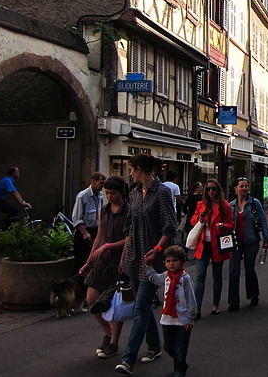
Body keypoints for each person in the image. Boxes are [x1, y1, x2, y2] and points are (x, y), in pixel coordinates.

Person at [115, 154, 177, 376]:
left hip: (153, 259)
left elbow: (170, 227)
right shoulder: (133, 193)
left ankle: (128, 359)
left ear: (140, 169)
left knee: (140, 308)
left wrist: (158, 250)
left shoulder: (162, 192)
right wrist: (124, 255)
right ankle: (154, 346)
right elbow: (129, 226)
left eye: (131, 169)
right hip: (134, 256)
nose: (130, 174)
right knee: (143, 306)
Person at [79, 176, 128, 359]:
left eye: (113, 193)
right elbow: (99, 237)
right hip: (102, 260)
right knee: (92, 299)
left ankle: (114, 342)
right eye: (107, 193)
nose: (110, 196)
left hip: (118, 260)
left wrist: (111, 248)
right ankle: (108, 333)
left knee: (116, 304)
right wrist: (89, 261)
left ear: (121, 193)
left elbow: (129, 239)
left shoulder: (128, 211)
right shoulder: (103, 211)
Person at [145, 245, 196, 377]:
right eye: (168, 261)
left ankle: (179, 369)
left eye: (175, 260)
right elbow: (154, 278)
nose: (171, 264)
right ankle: (180, 361)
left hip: (182, 320)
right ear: (164, 263)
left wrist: (190, 318)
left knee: (180, 349)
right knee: (169, 346)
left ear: (181, 262)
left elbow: (191, 300)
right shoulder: (166, 276)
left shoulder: (185, 279)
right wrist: (148, 266)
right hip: (167, 319)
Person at [188, 179, 233, 318]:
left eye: (213, 189)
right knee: (200, 275)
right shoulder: (201, 204)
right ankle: (198, 308)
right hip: (203, 244)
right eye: (208, 189)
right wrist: (200, 218)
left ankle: (216, 305)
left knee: (217, 275)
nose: (211, 192)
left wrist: (223, 226)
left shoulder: (224, 205)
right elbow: (193, 221)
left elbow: (231, 224)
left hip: (217, 244)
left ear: (218, 190)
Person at [228, 177, 268, 311]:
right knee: (234, 271)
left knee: (250, 269)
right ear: (235, 189)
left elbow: (263, 220)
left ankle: (253, 295)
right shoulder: (231, 205)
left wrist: (266, 238)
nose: (244, 189)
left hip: (251, 240)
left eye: (246, 186)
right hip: (235, 242)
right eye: (241, 186)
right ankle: (233, 302)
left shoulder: (254, 203)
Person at [0, 167, 31, 257]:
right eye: (18, 171)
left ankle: (4, 230)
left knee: (14, 211)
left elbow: (15, 191)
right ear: (13, 173)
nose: (19, 173)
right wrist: (23, 203)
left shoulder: (9, 181)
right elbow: (14, 192)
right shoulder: (7, 180)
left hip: (0, 202)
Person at [71, 171, 107, 273]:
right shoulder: (82, 196)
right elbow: (76, 218)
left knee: (94, 259)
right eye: (101, 183)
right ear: (93, 182)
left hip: (95, 231)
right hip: (84, 231)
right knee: (80, 260)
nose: (102, 186)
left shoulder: (100, 197)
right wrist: (84, 233)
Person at [181, 182, 202, 252]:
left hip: (190, 217)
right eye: (200, 187)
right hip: (197, 218)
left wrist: (188, 213)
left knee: (189, 235)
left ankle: (185, 251)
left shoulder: (190, 196)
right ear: (197, 188)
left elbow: (184, 207)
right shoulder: (200, 198)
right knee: (197, 234)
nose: (201, 188)